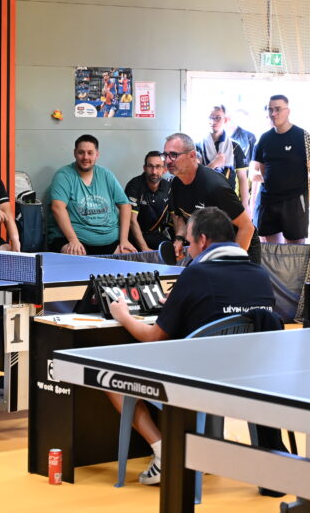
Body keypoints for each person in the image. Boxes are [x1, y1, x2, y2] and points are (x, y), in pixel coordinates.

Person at [105, 207, 276, 486]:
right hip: (250, 380)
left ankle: (164, 452)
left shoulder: (196, 274)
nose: (188, 249)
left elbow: (153, 337)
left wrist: (123, 315)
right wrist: (179, 305)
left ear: (203, 241)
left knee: (109, 372)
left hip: (199, 381)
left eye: (189, 242)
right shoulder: (261, 275)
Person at [163, 133, 261, 264]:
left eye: (174, 155)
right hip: (211, 245)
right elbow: (180, 217)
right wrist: (180, 238)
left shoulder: (215, 187)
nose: (168, 160)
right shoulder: (176, 184)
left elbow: (247, 227)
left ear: (192, 155)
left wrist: (233, 263)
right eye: (165, 155)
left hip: (241, 245)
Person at [250, 95, 310, 244]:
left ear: (288, 111)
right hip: (269, 202)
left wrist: (302, 199)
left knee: (295, 251)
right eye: (270, 110)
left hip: (294, 204)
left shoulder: (304, 137)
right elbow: (255, 172)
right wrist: (273, 180)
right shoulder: (264, 139)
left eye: (277, 109)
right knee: (271, 251)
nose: (273, 114)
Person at [47, 134, 135, 255]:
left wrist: (124, 240)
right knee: (75, 256)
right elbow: (57, 207)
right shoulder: (64, 176)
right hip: (75, 240)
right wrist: (73, 240)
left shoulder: (106, 175)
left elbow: (125, 205)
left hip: (110, 240)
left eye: (90, 153)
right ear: (74, 153)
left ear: (97, 154)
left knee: (128, 254)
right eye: (81, 152)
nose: (85, 157)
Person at [196, 105, 249, 210]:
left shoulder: (234, 147)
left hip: (230, 200)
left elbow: (243, 178)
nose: (213, 121)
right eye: (210, 117)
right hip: (205, 201)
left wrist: (245, 205)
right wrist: (214, 164)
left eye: (218, 117)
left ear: (225, 120)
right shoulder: (198, 146)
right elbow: (196, 178)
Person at [124, 151, 173, 252]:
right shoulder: (134, 186)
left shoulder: (169, 187)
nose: (154, 171)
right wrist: (144, 248)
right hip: (134, 234)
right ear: (144, 168)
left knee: (171, 251)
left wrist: (178, 241)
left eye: (158, 166)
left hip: (155, 234)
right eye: (150, 166)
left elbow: (175, 217)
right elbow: (132, 220)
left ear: (164, 169)